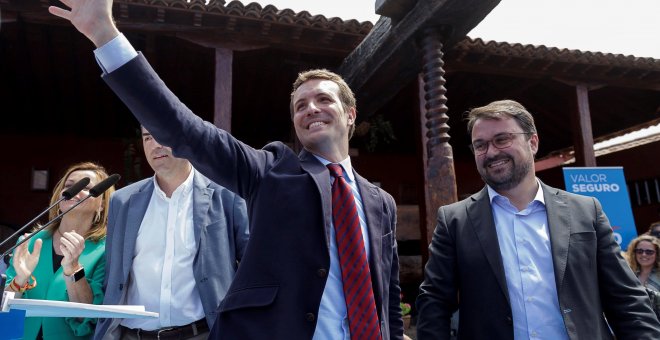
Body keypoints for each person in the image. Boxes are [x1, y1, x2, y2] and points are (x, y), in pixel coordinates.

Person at [49, 1, 403, 339]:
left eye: (324, 100)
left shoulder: (381, 202)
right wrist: (104, 34)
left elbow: (386, 290)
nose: (311, 108)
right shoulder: (272, 172)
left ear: (351, 114)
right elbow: (186, 130)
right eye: (300, 105)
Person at [416, 100, 660, 339]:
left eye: (502, 139)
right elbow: (434, 303)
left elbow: (626, 299)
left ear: (532, 142)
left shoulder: (586, 211)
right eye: (480, 145)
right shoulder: (454, 220)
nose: (490, 152)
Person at [93, 127, 249, 339]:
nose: (155, 145)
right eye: (147, 138)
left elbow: (253, 266)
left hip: (203, 333)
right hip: (133, 335)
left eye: (161, 134)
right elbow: (113, 275)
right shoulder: (122, 201)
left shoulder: (226, 195)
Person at [4, 162, 114, 340]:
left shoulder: (106, 250)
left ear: (102, 204)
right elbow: (5, 305)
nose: (74, 191)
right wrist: (20, 280)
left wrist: (74, 270)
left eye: (86, 187)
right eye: (69, 186)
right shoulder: (29, 242)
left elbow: (87, 317)